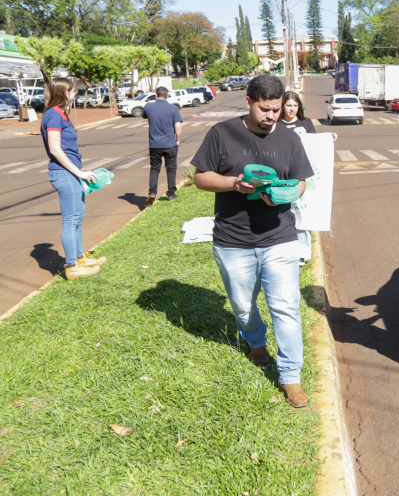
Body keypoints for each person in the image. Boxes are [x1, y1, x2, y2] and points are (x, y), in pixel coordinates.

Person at [192, 75, 315, 408]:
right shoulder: (222, 133)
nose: (271, 116)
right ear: (248, 102)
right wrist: (234, 184)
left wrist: (287, 192)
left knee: (286, 307)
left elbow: (302, 181)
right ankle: (255, 341)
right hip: (233, 240)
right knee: (243, 305)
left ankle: (290, 376)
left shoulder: (289, 138)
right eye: (265, 109)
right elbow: (200, 177)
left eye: (276, 109)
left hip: (280, 236)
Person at [40, 78, 107, 280]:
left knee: (78, 216)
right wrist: (79, 173)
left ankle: (79, 257)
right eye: (72, 91)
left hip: (70, 172)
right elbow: (54, 149)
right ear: (62, 92)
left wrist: (78, 171)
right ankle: (72, 266)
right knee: (70, 220)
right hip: (63, 173)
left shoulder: (61, 113)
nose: (75, 93)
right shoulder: (53, 115)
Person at [279, 90, 338, 267]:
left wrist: (328, 138)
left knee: (303, 212)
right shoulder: (275, 124)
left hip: (301, 173)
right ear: (282, 106)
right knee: (284, 211)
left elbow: (315, 141)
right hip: (282, 174)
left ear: (299, 106)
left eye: (295, 105)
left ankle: (303, 253)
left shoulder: (306, 122)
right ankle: (285, 247)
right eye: (288, 105)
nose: (291, 109)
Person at [142, 86, 183, 206]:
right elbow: (178, 126)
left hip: (154, 144)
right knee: (171, 169)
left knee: (155, 169)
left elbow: (144, 115)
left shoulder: (148, 106)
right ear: (167, 96)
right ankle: (171, 193)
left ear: (156, 95)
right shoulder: (173, 108)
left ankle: (152, 193)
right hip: (170, 144)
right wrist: (178, 140)